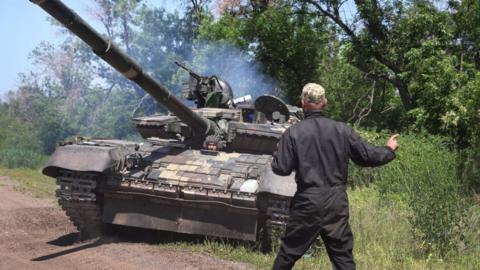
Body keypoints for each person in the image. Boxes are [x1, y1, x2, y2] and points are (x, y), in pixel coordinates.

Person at [271, 83, 399, 270]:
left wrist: (277, 155)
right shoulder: (342, 130)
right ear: (324, 102)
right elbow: (367, 156)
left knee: (287, 255)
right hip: (336, 203)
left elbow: (281, 168)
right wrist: (389, 149)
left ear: (303, 103)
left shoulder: (294, 132)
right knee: (342, 258)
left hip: (308, 202)